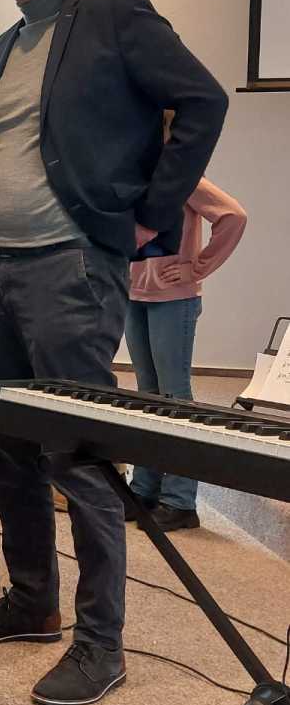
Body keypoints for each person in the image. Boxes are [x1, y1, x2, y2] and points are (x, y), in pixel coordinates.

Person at [0, 0, 227, 705]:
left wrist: (150, 215)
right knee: (7, 446)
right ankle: (33, 602)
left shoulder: (112, 15)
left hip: (71, 268)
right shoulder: (2, 48)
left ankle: (102, 644)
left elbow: (203, 101)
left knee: (79, 454)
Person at [125, 113, 247, 531]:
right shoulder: (130, 174)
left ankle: (180, 501)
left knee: (174, 395)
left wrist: (198, 267)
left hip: (173, 300)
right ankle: (144, 488)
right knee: (147, 394)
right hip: (133, 294)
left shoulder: (184, 177)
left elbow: (233, 216)